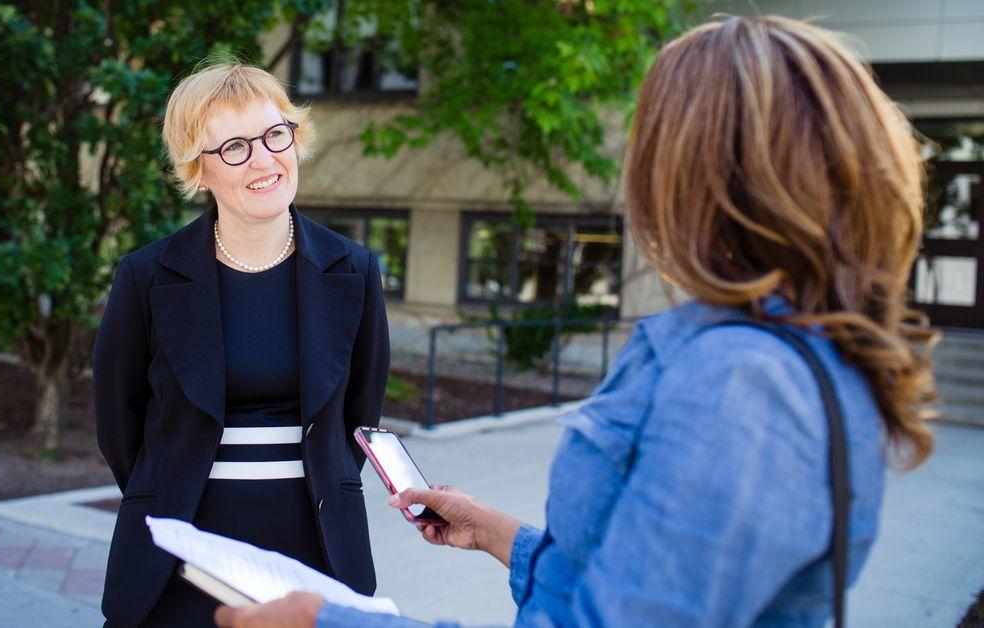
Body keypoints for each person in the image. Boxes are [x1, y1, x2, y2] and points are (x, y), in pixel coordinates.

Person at [213, 15, 939, 628]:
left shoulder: (743, 382)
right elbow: (642, 580)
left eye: (651, 138)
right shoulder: (764, 352)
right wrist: (498, 534)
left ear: (700, 174)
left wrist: (326, 620)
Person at [93, 60, 390, 627]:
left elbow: (357, 418)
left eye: (275, 134)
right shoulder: (146, 277)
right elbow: (119, 425)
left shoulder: (354, 271)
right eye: (233, 147)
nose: (263, 158)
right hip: (179, 555)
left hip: (315, 549)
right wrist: (168, 490)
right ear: (196, 169)